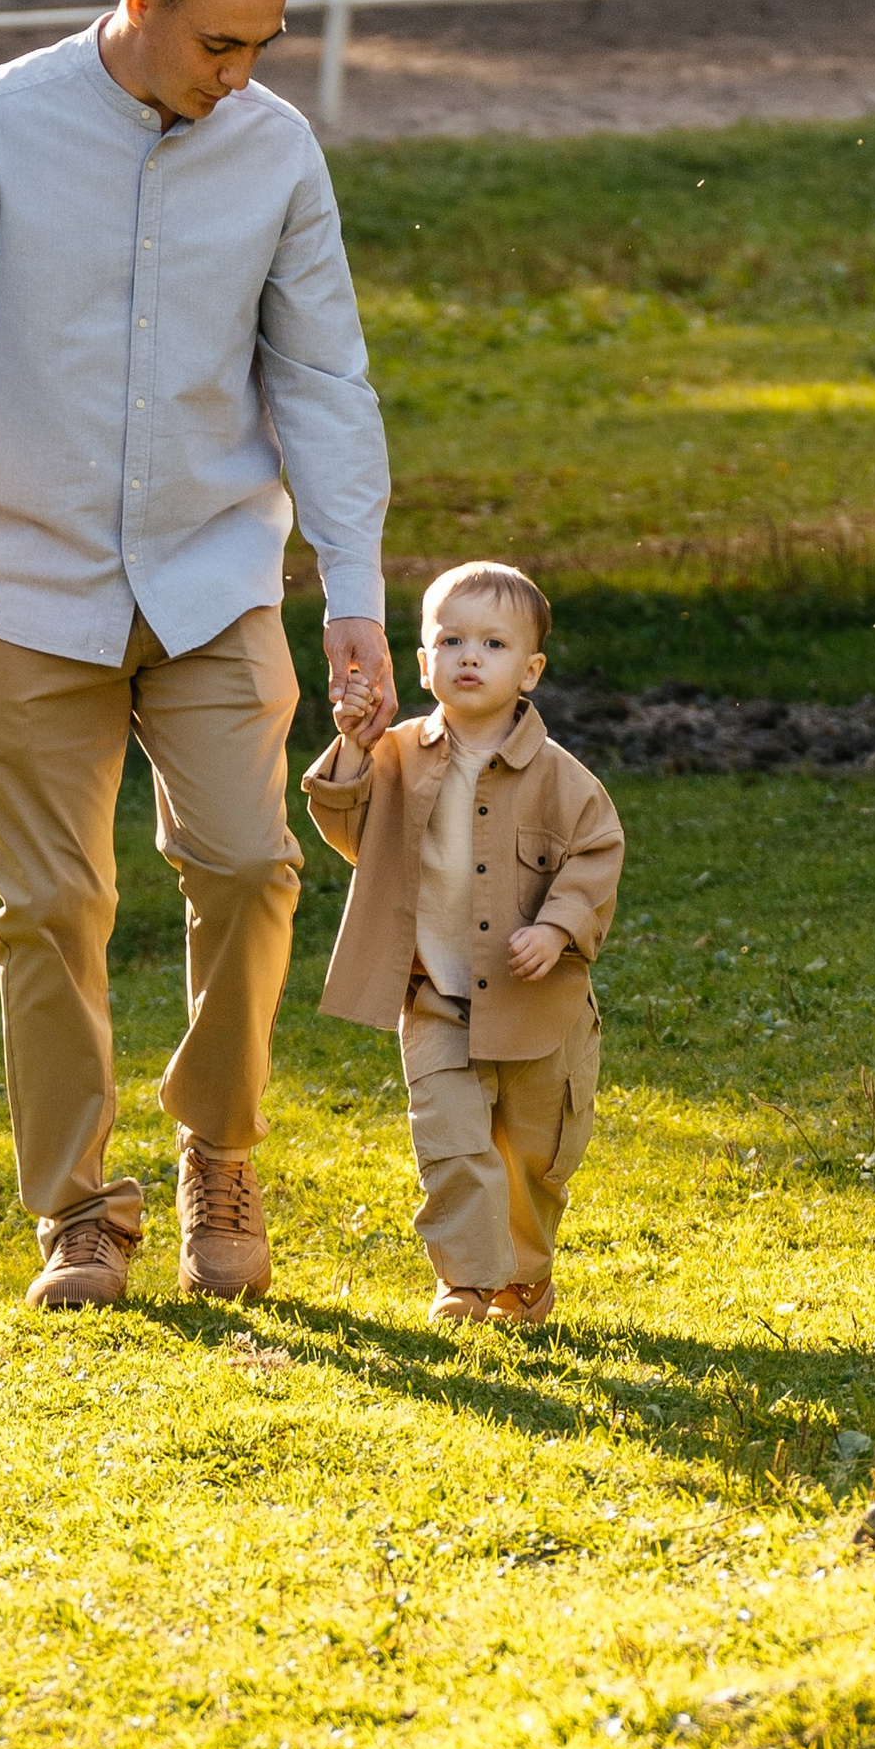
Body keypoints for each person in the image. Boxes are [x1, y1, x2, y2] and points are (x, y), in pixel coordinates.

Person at [0, 0, 393, 1314]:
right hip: (18, 585)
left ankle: (219, 1147)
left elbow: (323, 380)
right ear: (140, 5)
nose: (239, 75)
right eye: (216, 43)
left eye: (261, 44)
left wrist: (353, 590)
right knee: (53, 906)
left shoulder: (277, 154)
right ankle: (81, 1210)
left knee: (252, 865)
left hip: (212, 574)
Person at [303, 561, 623, 1328]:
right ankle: (466, 1283)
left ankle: (525, 1277)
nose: (469, 656)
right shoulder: (397, 755)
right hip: (435, 996)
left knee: (532, 1159)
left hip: (535, 1006)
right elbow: (350, 832)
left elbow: (596, 853)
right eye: (450, 640)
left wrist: (556, 927)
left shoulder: (562, 779)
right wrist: (349, 747)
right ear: (423, 663)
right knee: (451, 1146)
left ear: (531, 670)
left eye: (492, 643)